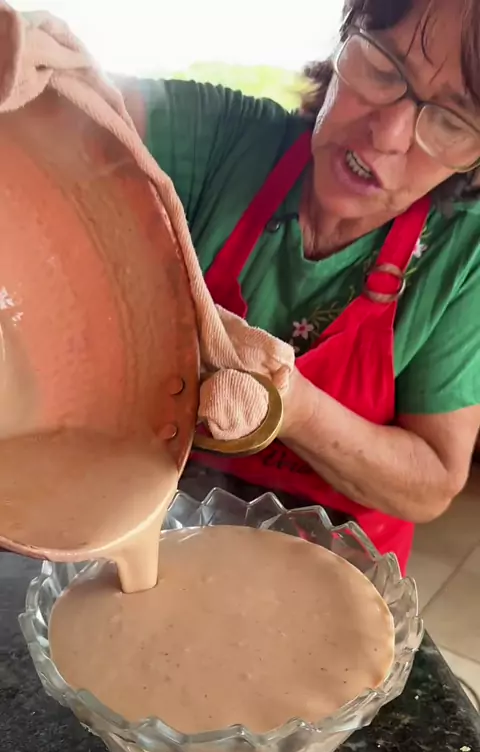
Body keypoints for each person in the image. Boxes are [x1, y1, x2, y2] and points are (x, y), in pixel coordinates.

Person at [121, 0, 480, 570]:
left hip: (333, 573)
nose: (387, 135)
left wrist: (293, 407)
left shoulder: (463, 257)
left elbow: (432, 483)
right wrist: (49, 68)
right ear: (345, 40)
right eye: (382, 68)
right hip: (157, 525)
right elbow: (86, 110)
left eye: (451, 122)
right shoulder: (227, 143)